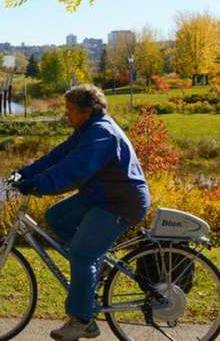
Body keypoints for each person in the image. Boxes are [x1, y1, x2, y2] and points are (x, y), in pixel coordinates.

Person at [14, 84, 150, 341]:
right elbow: (59, 156)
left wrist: (40, 184)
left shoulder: (102, 133)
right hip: (99, 196)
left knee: (82, 254)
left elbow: (75, 168)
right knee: (56, 218)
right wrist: (26, 172)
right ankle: (94, 270)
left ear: (86, 111)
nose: (67, 115)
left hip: (120, 203)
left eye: (70, 110)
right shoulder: (87, 129)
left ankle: (82, 321)